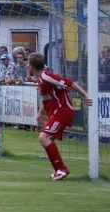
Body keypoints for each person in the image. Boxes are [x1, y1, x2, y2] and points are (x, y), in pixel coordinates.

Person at [29, 52, 93, 180]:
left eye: (27, 64)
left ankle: (61, 169)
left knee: (44, 137)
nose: (27, 67)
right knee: (47, 139)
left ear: (31, 66)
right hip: (57, 112)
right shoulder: (42, 79)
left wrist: (85, 95)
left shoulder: (46, 76)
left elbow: (69, 83)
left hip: (62, 111)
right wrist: (41, 113)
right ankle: (58, 169)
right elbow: (49, 98)